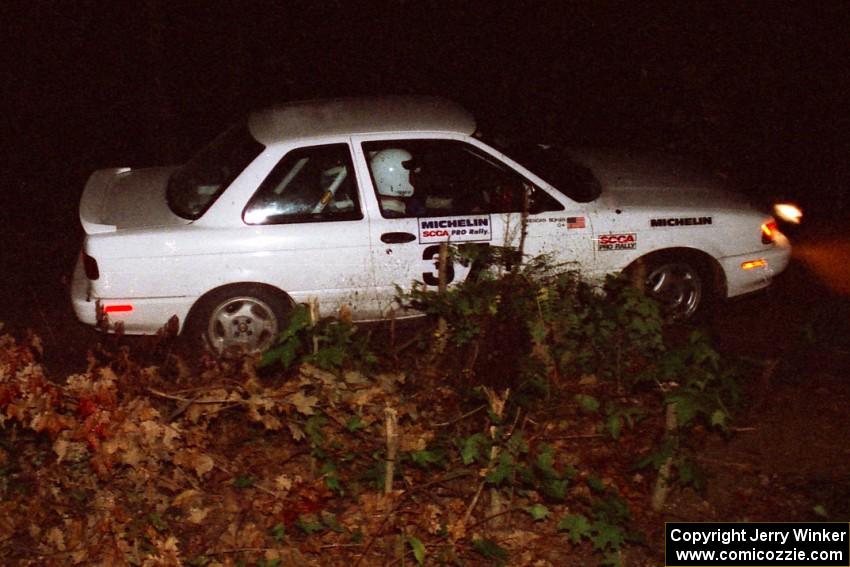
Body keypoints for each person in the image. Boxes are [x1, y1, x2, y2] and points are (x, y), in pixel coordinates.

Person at [369, 148, 425, 217]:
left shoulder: (398, 206)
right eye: (411, 174)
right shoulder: (393, 216)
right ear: (396, 176)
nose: (415, 179)